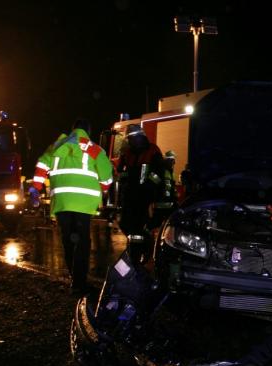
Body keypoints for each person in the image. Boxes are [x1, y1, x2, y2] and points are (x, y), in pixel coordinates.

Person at [30, 119, 113, 295]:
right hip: (83, 203)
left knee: (68, 240)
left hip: (61, 201)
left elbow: (41, 166)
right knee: (82, 242)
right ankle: (79, 284)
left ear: (72, 129)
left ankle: (74, 279)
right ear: (88, 130)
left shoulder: (56, 145)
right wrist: (104, 189)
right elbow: (106, 177)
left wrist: (35, 188)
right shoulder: (94, 148)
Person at [116, 124, 164, 263]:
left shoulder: (153, 151)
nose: (129, 142)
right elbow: (121, 172)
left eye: (130, 138)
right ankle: (140, 244)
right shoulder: (127, 153)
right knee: (125, 223)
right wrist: (124, 180)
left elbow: (158, 173)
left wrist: (149, 187)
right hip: (130, 195)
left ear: (139, 137)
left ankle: (138, 253)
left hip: (145, 196)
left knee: (137, 227)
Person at [148, 150, 178, 229]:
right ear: (167, 160)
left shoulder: (170, 172)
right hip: (161, 204)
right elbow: (152, 181)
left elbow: (170, 187)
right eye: (172, 161)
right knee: (155, 224)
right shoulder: (160, 170)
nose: (174, 163)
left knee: (170, 224)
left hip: (169, 204)